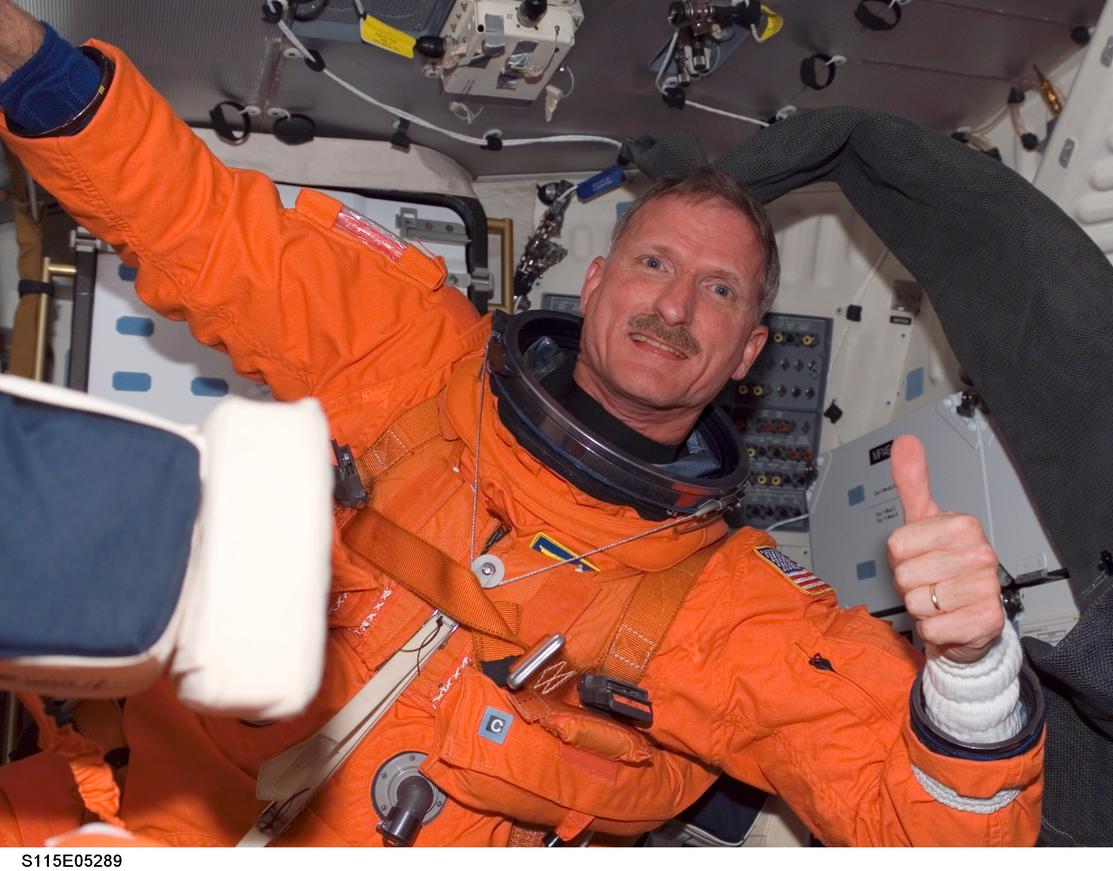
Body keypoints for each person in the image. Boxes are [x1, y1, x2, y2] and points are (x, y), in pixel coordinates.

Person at [0, 2, 1044, 847]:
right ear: (594, 285)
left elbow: (932, 834)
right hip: (102, 815)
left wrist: (971, 670)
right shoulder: (413, 356)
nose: (673, 306)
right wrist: (30, 65)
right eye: (653, 263)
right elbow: (201, 225)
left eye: (719, 291)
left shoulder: (733, 611)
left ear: (747, 354)